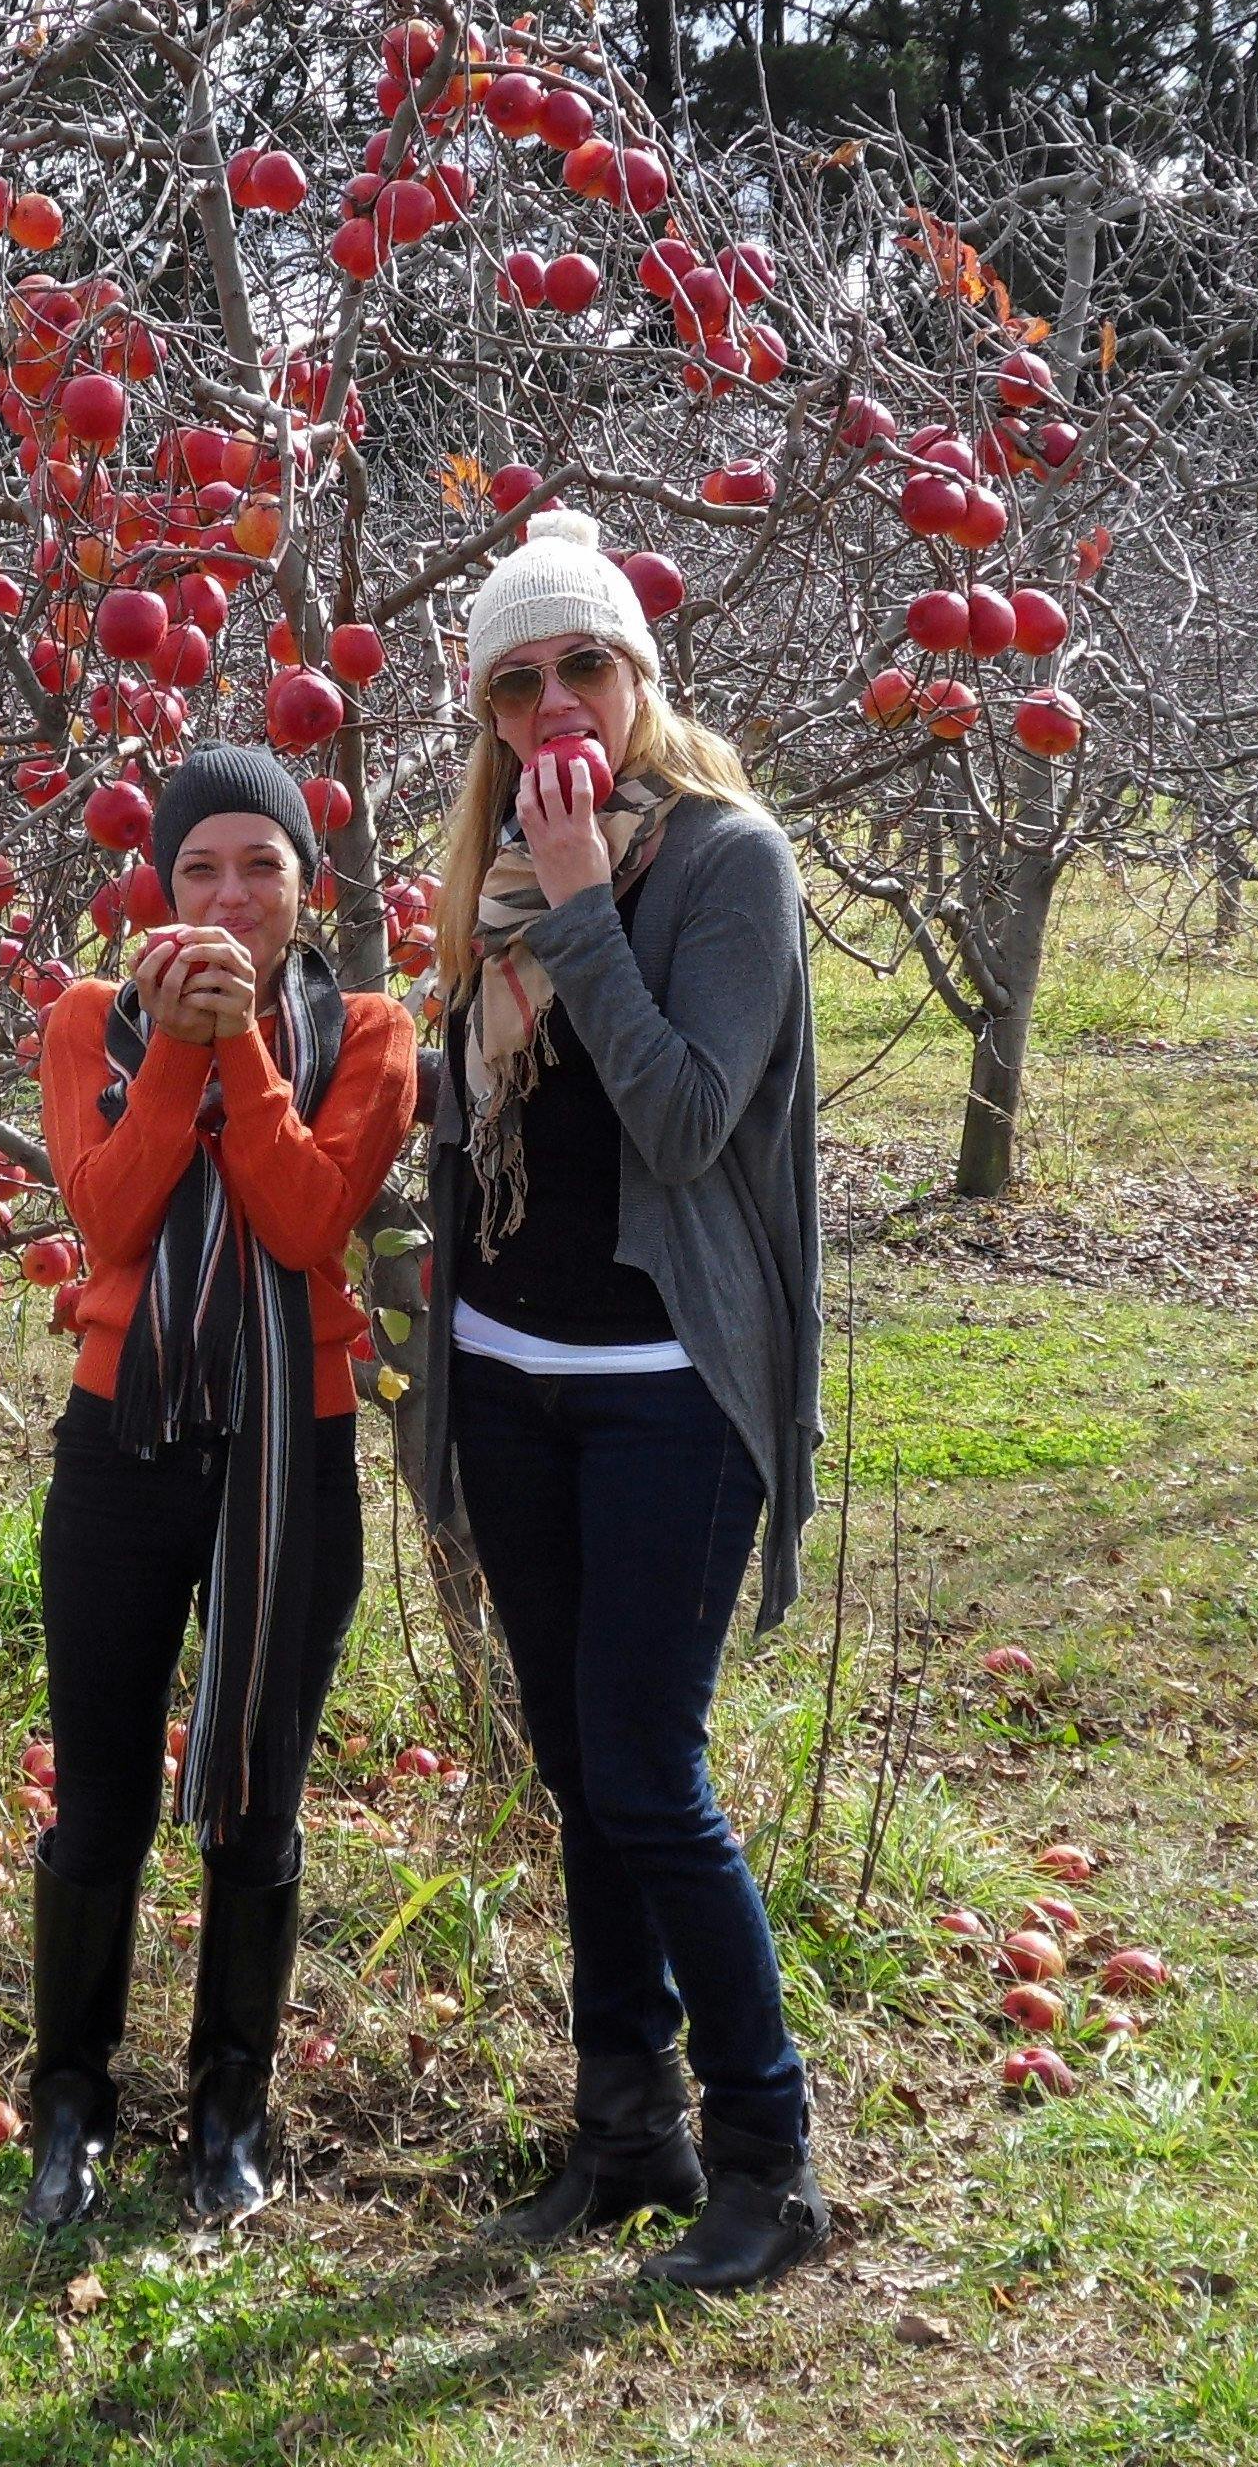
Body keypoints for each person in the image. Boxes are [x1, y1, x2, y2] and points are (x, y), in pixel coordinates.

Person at [414, 511, 832, 2292]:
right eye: (517, 682)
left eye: (582, 664)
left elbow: (679, 1123)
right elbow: (474, 1136)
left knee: (652, 1776)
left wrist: (587, 913)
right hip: (514, 1382)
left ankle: (772, 2150)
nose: (553, 701)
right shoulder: (487, 873)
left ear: (640, 676)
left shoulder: (726, 865)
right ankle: (626, 2131)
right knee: (583, 1769)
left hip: (668, 1389)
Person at [23, 742, 419, 2228]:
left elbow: (309, 1218)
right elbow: (110, 1215)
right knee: (104, 1789)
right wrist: (176, 1048)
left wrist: (239, 1045)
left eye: (263, 867)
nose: (232, 893)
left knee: (257, 1798)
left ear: (306, 896)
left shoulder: (370, 1031)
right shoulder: (88, 1025)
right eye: (202, 868)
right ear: (159, 886)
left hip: (290, 1457)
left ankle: (228, 2115)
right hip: (123, 1446)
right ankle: (68, 2103)